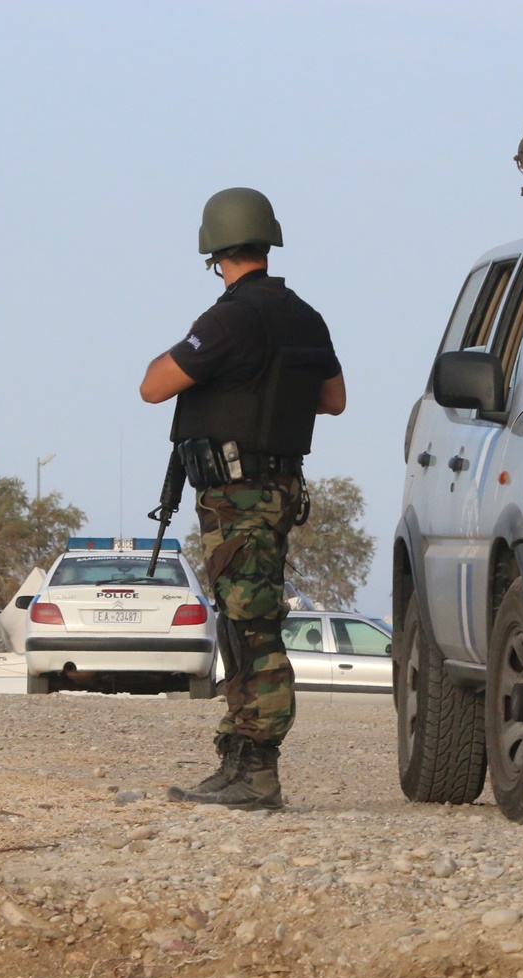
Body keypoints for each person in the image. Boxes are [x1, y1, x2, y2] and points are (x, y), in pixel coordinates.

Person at [139, 187, 345, 811]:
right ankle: (238, 762)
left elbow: (154, 385)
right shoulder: (305, 315)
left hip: (239, 497)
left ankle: (256, 772)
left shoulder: (228, 319)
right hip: (276, 488)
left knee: (251, 625)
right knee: (241, 618)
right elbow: (332, 399)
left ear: (214, 250)